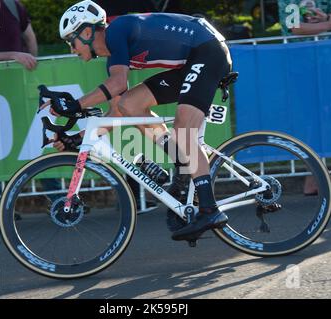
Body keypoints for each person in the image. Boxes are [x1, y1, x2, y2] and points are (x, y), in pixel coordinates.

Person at [43, 0, 231, 241]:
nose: (72, 49)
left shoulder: (117, 31)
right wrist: (77, 139)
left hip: (208, 49)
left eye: (72, 41)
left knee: (184, 129)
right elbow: (118, 111)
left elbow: (117, 84)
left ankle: (209, 210)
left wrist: (76, 104)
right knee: (129, 104)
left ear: (87, 32)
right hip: (192, 60)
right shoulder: (114, 56)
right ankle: (181, 162)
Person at [278, 0, 331, 195]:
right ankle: (314, 178)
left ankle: (318, 174)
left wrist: (326, 19)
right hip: (301, 64)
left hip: (325, 61)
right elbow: (294, 27)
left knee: (324, 117)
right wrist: (326, 25)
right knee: (314, 118)